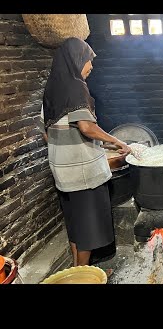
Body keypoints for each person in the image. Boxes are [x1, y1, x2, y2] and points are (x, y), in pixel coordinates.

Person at [39, 37, 131, 266]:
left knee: (76, 226)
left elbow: (46, 133)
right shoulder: (76, 86)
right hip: (83, 174)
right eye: (89, 61)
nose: (91, 67)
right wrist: (118, 142)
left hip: (62, 172)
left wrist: (81, 145)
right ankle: (82, 275)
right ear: (77, 59)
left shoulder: (53, 88)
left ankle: (77, 269)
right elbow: (87, 127)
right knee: (89, 230)